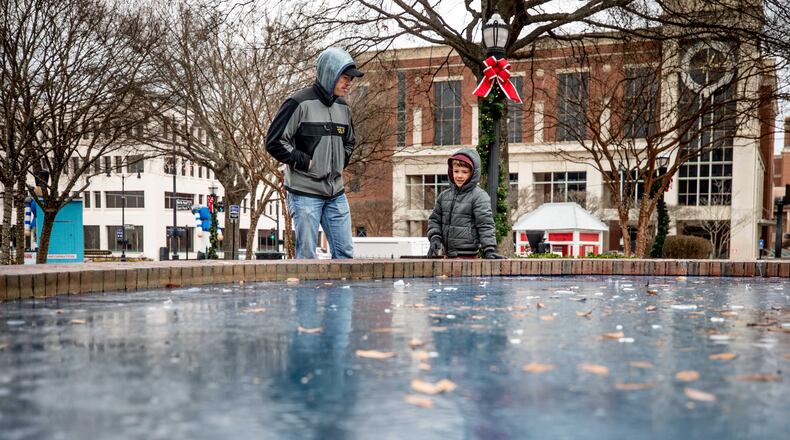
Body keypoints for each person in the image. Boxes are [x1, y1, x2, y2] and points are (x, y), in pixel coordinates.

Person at [266, 47, 363, 259]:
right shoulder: (298, 103)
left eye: (350, 79)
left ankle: (340, 294)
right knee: (307, 258)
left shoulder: (343, 108)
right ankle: (305, 294)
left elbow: (350, 141)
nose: (348, 83)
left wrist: (340, 163)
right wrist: (306, 163)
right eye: (344, 77)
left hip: (336, 193)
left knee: (345, 254)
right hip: (304, 193)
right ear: (330, 73)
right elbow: (274, 141)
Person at [426, 148, 506, 259]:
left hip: (469, 256)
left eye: (464, 172)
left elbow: (485, 224)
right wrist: (435, 237)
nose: (459, 175)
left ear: (473, 173)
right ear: (451, 171)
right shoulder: (444, 196)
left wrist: (489, 249)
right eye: (456, 171)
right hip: (447, 254)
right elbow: (435, 220)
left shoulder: (479, 196)